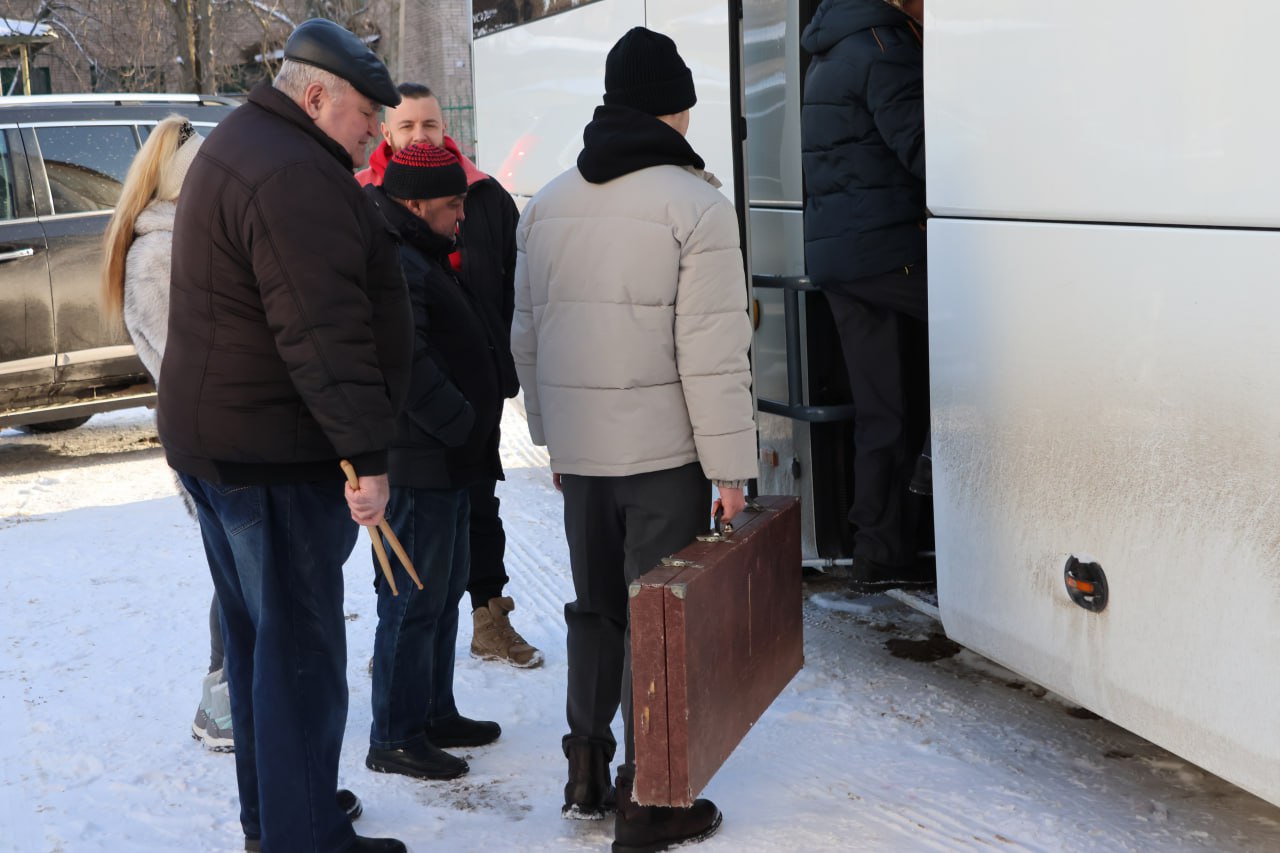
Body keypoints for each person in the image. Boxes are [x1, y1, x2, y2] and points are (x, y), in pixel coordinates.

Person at [158, 18, 411, 853]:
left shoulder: (247, 139)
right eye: (366, 114)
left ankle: (282, 820)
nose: (376, 128)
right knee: (297, 656)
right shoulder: (294, 172)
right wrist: (368, 457)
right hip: (272, 456)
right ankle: (304, 837)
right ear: (315, 96)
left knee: (264, 647)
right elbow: (323, 333)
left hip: (226, 447)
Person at [511, 26, 757, 853]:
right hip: (664, 458)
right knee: (658, 622)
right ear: (677, 109)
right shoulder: (697, 206)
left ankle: (585, 769)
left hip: (582, 456)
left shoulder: (545, 202)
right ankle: (648, 801)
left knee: (594, 610)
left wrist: (554, 438)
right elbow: (715, 356)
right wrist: (731, 471)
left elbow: (529, 336)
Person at [355, 83, 540, 669]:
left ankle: (490, 619)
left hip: (474, 398)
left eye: (429, 124)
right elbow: (395, 344)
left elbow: (515, 286)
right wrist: (449, 413)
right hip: (425, 422)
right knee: (418, 559)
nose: (420, 135)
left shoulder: (484, 196)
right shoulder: (367, 202)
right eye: (407, 126)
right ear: (388, 133)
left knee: (476, 520)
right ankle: (405, 688)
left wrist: (499, 372)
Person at [362, 144, 506, 782]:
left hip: (447, 461)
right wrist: (460, 421)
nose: (462, 217)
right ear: (416, 205)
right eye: (453, 206)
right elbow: (406, 361)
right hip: (419, 463)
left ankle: (433, 711)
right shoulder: (396, 257)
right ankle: (394, 734)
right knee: (410, 601)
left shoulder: (417, 250)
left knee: (442, 595)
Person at [100, 115, 236, 751]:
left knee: (238, 574)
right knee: (238, 576)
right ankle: (224, 702)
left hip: (219, 436)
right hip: (210, 441)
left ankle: (224, 700)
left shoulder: (191, 238)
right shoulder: (159, 253)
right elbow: (184, 363)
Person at [801, 0, 933, 593]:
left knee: (882, 411)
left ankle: (878, 551)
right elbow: (923, 150)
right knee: (998, 333)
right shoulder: (885, 48)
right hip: (889, 253)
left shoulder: (829, 49)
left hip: (842, 259)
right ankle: (941, 504)